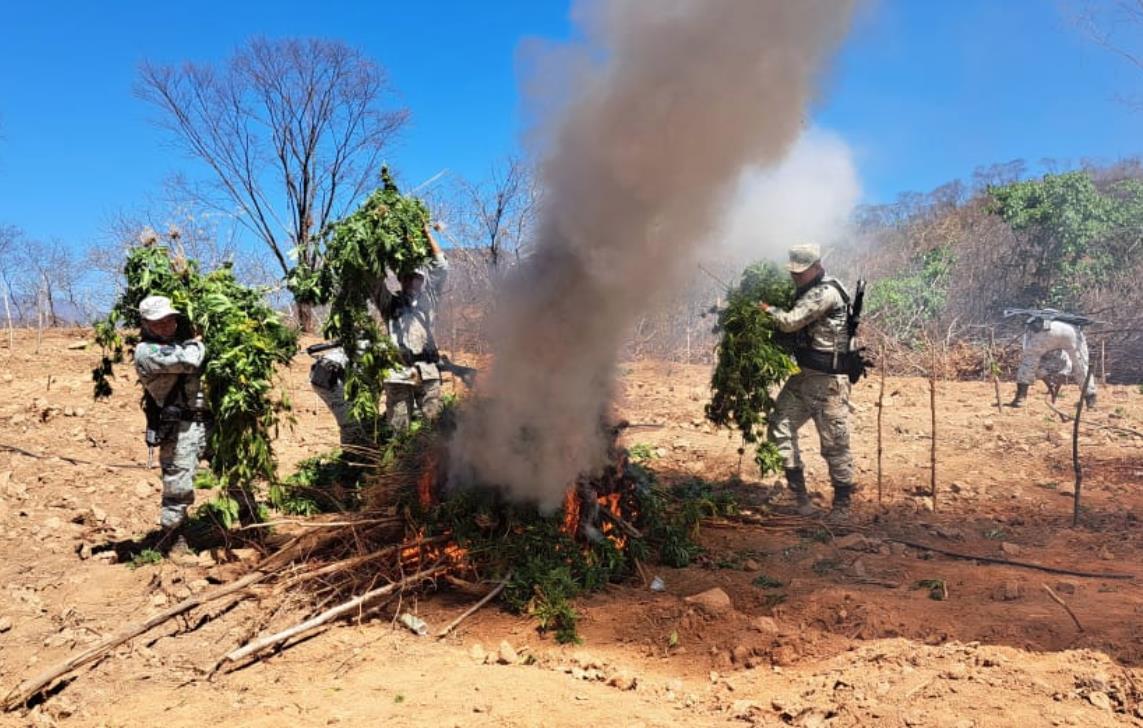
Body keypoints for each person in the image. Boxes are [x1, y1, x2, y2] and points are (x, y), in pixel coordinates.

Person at [759, 244, 857, 519]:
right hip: (803, 378)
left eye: (800, 273)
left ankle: (842, 503)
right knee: (779, 426)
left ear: (817, 267)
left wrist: (766, 309)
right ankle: (800, 497)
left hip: (828, 384)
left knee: (834, 444)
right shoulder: (805, 291)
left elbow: (790, 321)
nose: (795, 278)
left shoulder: (825, 293)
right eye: (793, 273)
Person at [133, 295, 209, 553]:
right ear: (145, 324)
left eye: (170, 320)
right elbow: (189, 360)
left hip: (206, 422)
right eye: (158, 322)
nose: (166, 326)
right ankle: (173, 539)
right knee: (178, 484)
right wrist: (197, 342)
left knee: (232, 463)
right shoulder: (147, 352)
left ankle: (247, 518)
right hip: (180, 428)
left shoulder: (177, 343)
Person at [372, 222, 449, 430]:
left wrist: (425, 232)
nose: (412, 282)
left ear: (422, 280)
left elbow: (442, 267)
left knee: (436, 424)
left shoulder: (429, 301)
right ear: (401, 280)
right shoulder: (389, 303)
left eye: (417, 278)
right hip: (398, 373)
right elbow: (373, 280)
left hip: (428, 370)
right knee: (399, 427)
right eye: (407, 278)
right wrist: (376, 241)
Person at [1010, 315, 1096, 409]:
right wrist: (1052, 386)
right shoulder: (1063, 354)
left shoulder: (1031, 327)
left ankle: (1020, 398)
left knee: (1029, 360)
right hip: (1072, 331)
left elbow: (1030, 358)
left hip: (1045, 331)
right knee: (1081, 364)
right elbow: (1067, 368)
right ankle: (1090, 398)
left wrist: (1049, 384)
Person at [308, 342, 371, 448]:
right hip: (330, 378)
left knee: (353, 416)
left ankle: (356, 450)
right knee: (350, 422)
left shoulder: (362, 340)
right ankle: (351, 455)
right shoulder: (373, 351)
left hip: (322, 373)